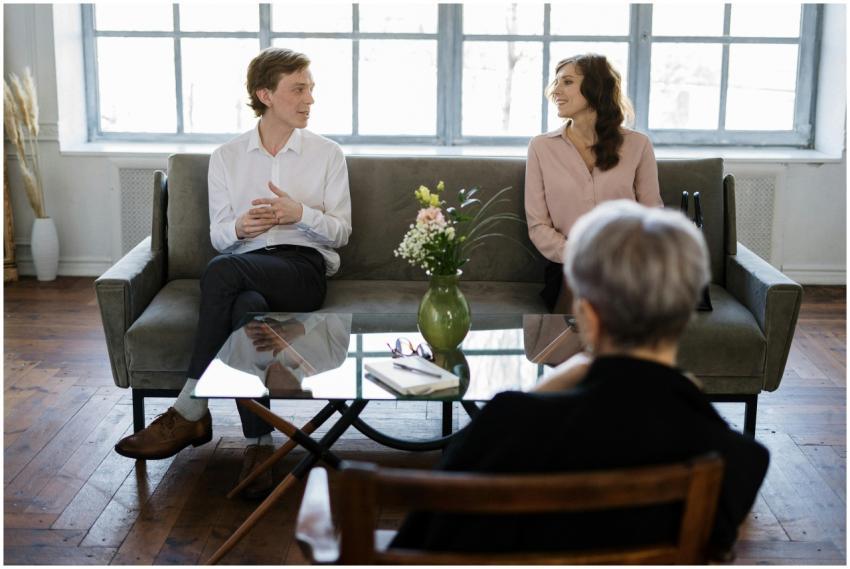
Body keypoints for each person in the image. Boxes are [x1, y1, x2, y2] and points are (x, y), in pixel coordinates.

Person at [391, 200, 769, 560]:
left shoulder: (506, 426)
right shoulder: (737, 461)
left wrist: (541, 389)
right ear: (685, 316)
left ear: (587, 316)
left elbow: (420, 538)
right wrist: (689, 395)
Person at [114, 47, 352, 500]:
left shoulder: (327, 154)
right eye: (298, 89)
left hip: (302, 271)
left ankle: (191, 407)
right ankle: (260, 445)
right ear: (265, 94)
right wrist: (241, 228)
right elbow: (221, 235)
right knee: (246, 308)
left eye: (311, 89)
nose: (309, 99)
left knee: (223, 272)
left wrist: (299, 214)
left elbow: (340, 233)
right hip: (246, 267)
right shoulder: (227, 157)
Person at [525, 53, 663, 312]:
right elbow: (538, 225)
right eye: (556, 82)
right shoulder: (541, 147)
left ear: (596, 87)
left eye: (567, 82)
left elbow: (652, 216)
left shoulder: (638, 145)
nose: (555, 91)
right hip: (568, 264)